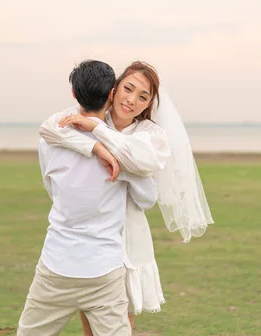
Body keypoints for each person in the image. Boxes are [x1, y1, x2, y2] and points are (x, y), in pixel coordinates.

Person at [40, 61, 213, 335]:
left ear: (148, 105)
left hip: (129, 242)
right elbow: (49, 128)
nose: (132, 100)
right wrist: (95, 147)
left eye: (142, 97)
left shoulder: (150, 136)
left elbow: (145, 194)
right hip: (91, 245)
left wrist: (97, 133)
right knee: (90, 330)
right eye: (128, 89)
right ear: (113, 90)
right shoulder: (92, 118)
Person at [17, 60, 158, 336]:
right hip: (104, 269)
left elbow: (51, 187)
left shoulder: (52, 137)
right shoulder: (121, 149)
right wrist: (100, 149)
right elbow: (147, 198)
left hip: (56, 263)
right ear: (111, 94)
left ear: (73, 94)